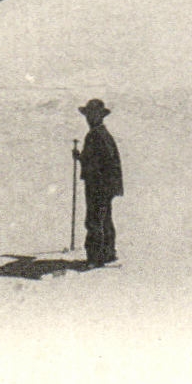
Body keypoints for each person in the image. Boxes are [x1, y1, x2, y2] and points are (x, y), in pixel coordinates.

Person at [74, 99, 123, 266]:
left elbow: (101, 162)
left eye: (92, 115)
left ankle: (96, 257)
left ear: (99, 116)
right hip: (103, 185)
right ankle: (108, 252)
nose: (89, 118)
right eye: (88, 115)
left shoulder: (96, 135)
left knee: (94, 219)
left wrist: (82, 159)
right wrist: (81, 157)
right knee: (104, 217)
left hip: (98, 185)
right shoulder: (102, 134)